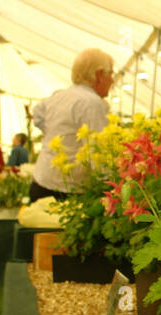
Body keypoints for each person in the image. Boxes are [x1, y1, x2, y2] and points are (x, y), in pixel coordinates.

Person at [30, 48, 115, 201]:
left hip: (41, 183)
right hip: (66, 192)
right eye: (111, 74)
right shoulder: (91, 103)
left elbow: (37, 114)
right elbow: (100, 155)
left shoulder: (59, 96)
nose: (112, 80)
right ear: (99, 75)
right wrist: (112, 189)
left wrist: (56, 136)